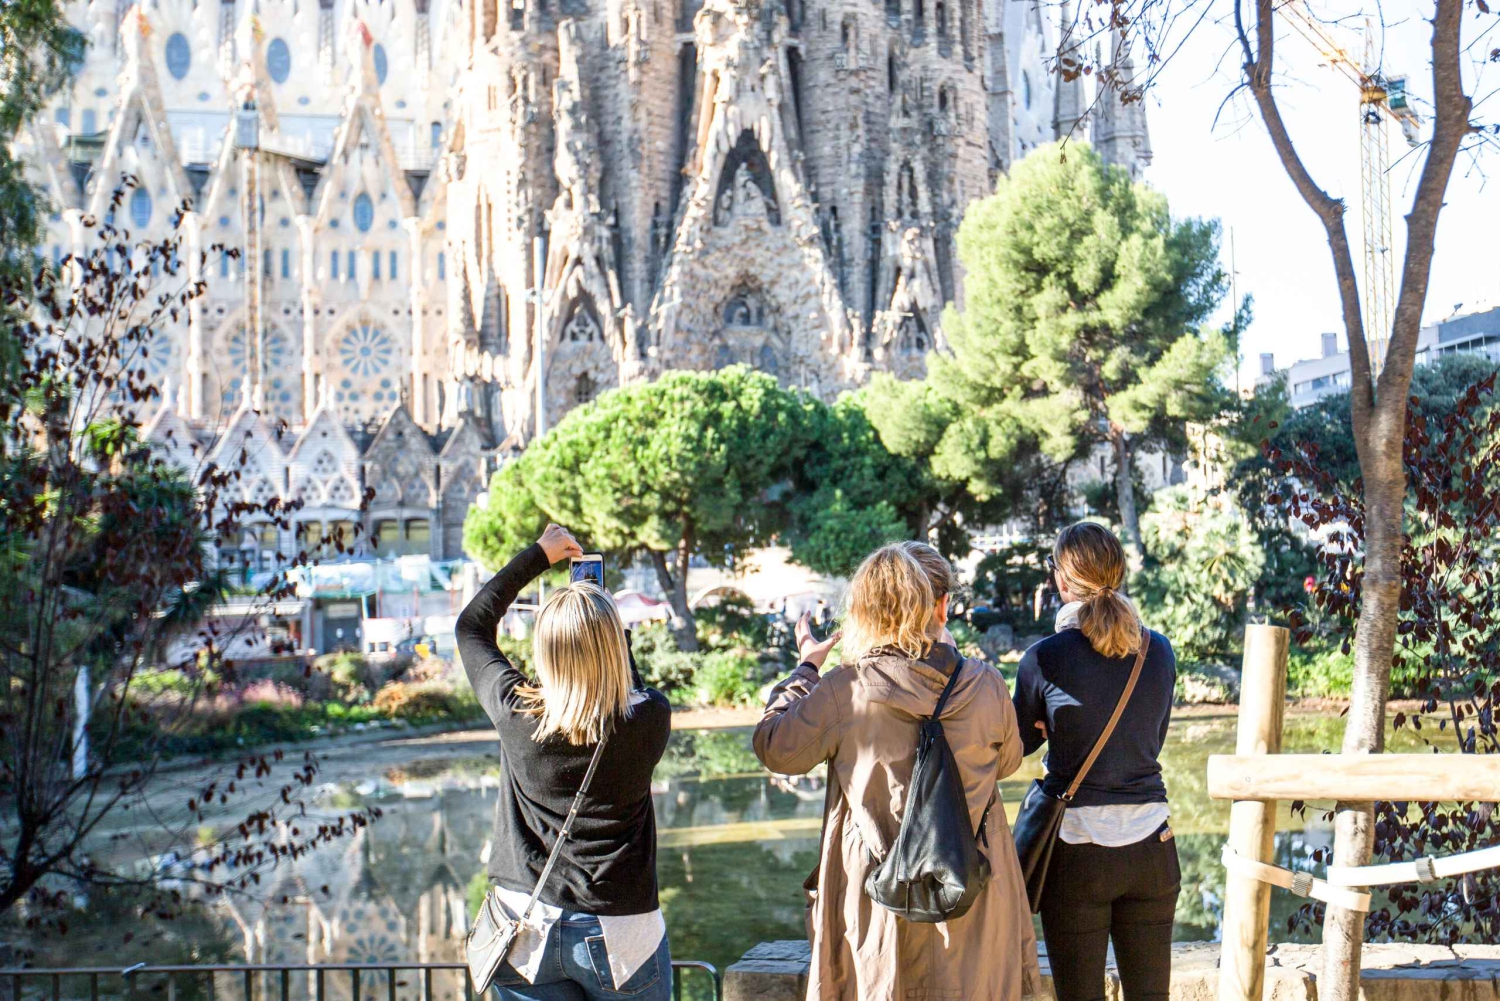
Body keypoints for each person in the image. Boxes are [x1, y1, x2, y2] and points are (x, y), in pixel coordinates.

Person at [753, 542, 1041, 1001]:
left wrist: (805, 668)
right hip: (971, 896)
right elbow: (1007, 762)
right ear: (942, 607)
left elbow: (775, 749)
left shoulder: (846, 690)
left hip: (877, 899)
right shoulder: (985, 684)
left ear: (865, 612)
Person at [456, 524, 674, 1001]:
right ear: (617, 643)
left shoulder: (515, 712)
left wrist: (538, 555)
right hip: (621, 934)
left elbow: (471, 626)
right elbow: (623, 690)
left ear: (543, 649)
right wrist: (603, 623)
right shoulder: (649, 718)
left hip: (525, 927)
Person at [1012, 522, 1179, 1001]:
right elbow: (1152, 738)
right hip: (1152, 845)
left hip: (1077, 850)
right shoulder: (1159, 650)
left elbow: (1017, 745)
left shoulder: (1043, 659)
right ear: (1120, 574)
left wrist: (1052, 728)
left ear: (1062, 581)